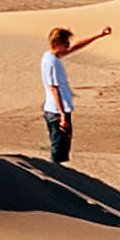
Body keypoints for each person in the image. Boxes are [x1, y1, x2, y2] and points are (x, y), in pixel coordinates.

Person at [40, 22, 110, 165]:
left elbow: (75, 47)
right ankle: (55, 177)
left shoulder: (53, 56)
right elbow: (54, 88)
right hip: (56, 112)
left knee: (62, 149)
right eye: (65, 42)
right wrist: (62, 115)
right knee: (58, 150)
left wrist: (99, 35)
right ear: (57, 43)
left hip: (59, 111)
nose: (68, 45)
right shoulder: (51, 62)